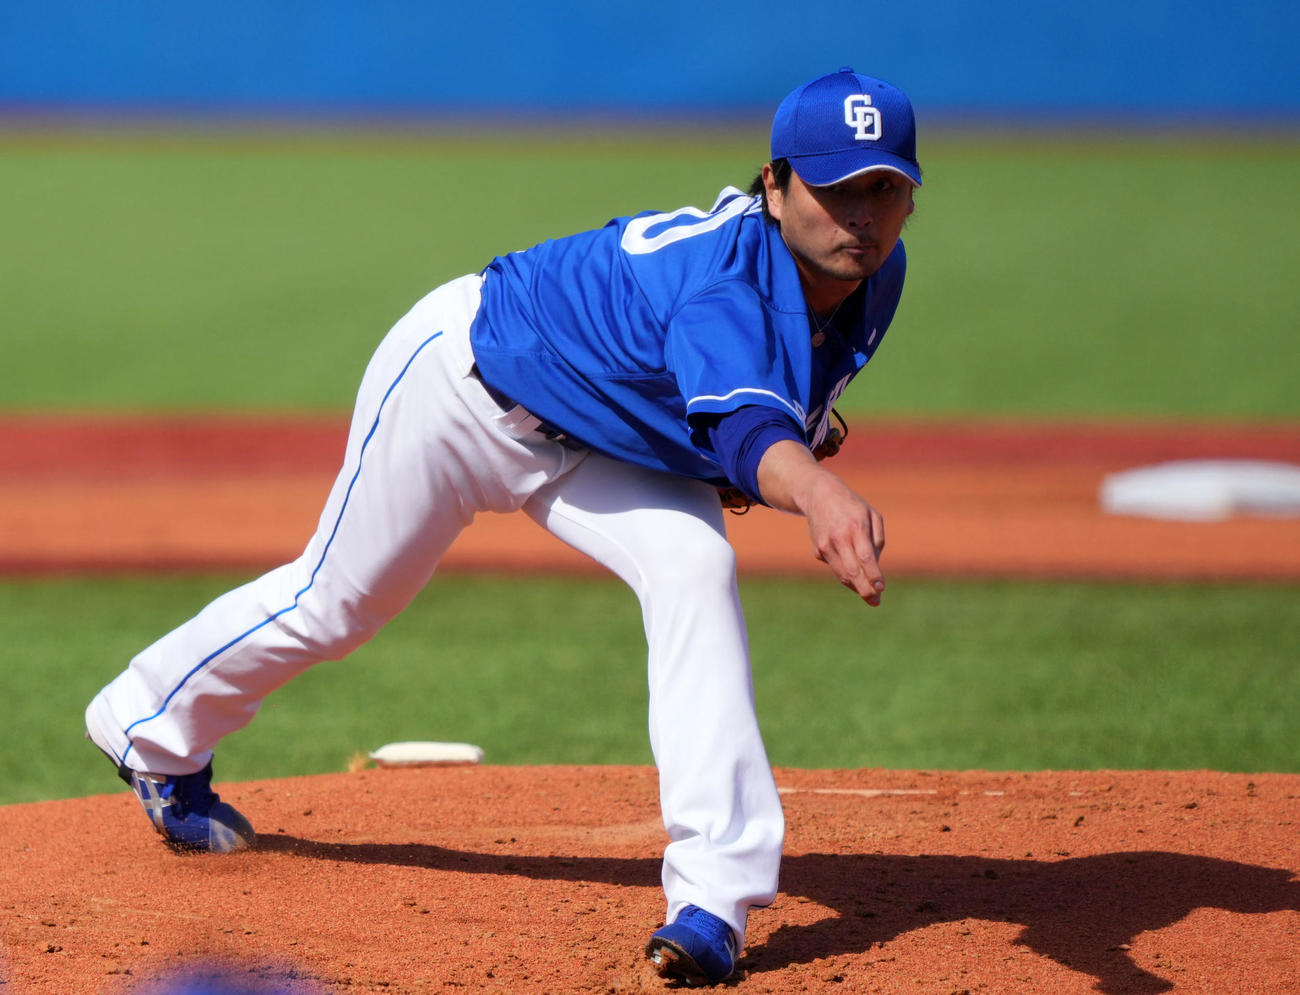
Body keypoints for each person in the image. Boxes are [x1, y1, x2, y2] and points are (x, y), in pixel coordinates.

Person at [85, 66, 921, 985]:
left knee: (693, 568)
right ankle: (146, 725)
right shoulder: (725, 279)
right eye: (834, 186)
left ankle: (712, 899)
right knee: (338, 602)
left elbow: (761, 417)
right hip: (461, 387)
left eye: (884, 187)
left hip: (595, 443)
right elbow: (747, 426)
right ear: (774, 182)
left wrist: (772, 454)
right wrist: (811, 486)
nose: (861, 215)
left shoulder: (874, 278)